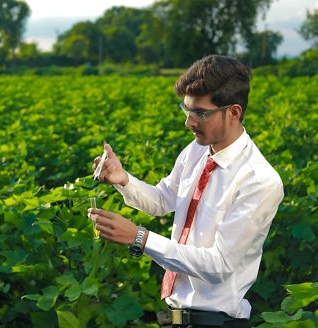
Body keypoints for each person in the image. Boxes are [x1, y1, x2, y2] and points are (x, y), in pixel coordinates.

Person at [88, 54, 284, 328]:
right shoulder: (196, 151)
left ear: (234, 112)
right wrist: (124, 180)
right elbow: (162, 200)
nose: (189, 122)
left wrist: (140, 238)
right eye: (186, 109)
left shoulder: (259, 180)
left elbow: (220, 265)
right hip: (174, 317)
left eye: (200, 113)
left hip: (216, 322)